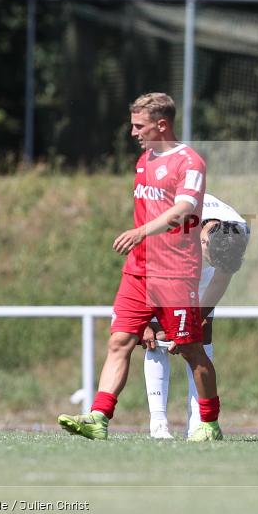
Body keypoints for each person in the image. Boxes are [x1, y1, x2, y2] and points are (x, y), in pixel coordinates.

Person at [58, 92, 223, 442]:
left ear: (161, 124)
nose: (133, 132)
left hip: (176, 271)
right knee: (120, 341)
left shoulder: (190, 162)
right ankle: (99, 418)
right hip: (139, 271)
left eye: (139, 126)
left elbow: (183, 210)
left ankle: (209, 422)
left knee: (191, 349)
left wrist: (140, 232)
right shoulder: (145, 158)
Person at [143, 194, 249, 439]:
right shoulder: (174, 224)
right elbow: (145, 267)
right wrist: (146, 320)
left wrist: (194, 324)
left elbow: (222, 277)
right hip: (164, 265)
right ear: (202, 241)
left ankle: (197, 424)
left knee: (198, 340)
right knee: (157, 336)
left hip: (193, 256)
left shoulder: (238, 232)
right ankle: (158, 423)